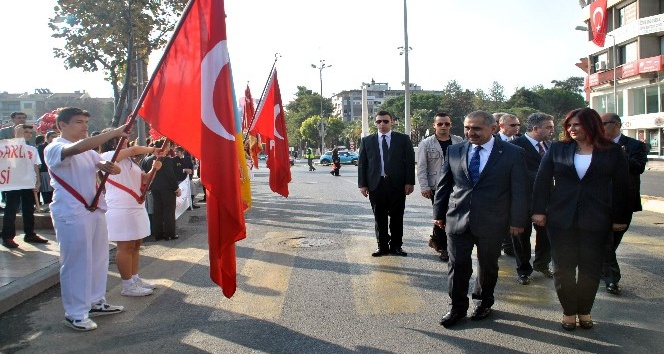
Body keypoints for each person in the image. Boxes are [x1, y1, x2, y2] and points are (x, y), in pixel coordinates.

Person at [532, 107, 629, 331]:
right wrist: (539, 211)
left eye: (578, 124)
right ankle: (568, 311)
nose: (572, 129)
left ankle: (584, 310)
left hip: (597, 220)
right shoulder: (558, 148)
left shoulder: (612, 152)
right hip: (560, 219)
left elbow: (623, 188)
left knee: (590, 269)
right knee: (563, 268)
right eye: (569, 125)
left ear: (592, 125)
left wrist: (619, 217)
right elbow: (542, 181)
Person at [433, 110, 528, 328]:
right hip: (458, 218)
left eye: (476, 128)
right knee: (457, 266)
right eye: (467, 127)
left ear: (493, 129)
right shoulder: (455, 150)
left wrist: (517, 221)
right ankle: (457, 307)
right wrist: (438, 215)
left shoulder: (513, 153)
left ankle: (483, 302)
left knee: (487, 265)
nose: (470, 132)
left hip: (493, 221)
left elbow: (520, 190)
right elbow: (444, 185)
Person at [44, 107, 129, 331]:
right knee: (76, 262)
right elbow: (78, 148)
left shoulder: (89, 152)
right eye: (79, 122)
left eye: (85, 122)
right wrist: (113, 133)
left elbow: (107, 166)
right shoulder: (56, 147)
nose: (84, 126)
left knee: (98, 257)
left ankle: (95, 301)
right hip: (71, 212)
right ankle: (75, 313)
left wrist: (109, 166)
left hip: (94, 209)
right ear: (61, 126)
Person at [100, 131, 162, 297]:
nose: (127, 141)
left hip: (135, 205)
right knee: (125, 247)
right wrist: (152, 149)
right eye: (123, 138)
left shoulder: (130, 161)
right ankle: (127, 285)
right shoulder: (109, 155)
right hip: (120, 207)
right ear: (112, 140)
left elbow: (144, 179)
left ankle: (135, 279)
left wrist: (153, 170)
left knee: (135, 245)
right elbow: (134, 150)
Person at [600, 113, 648, 295]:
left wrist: (621, 156)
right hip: (601, 201)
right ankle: (612, 279)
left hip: (625, 201)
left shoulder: (635, 145)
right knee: (605, 240)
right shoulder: (596, 145)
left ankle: (601, 269)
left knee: (613, 241)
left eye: (604, 123)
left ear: (617, 125)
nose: (601, 127)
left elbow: (639, 167)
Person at [358, 111, 415, 257]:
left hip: (397, 184)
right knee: (379, 217)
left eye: (385, 121)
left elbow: (409, 162)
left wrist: (410, 182)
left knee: (397, 217)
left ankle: (396, 246)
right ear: (375, 123)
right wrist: (362, 185)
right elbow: (363, 164)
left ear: (392, 122)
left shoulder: (402, 139)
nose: (381, 124)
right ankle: (382, 246)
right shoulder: (367, 141)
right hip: (376, 185)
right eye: (378, 122)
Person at [508, 112, 556, 284]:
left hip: (546, 199)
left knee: (546, 234)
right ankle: (523, 269)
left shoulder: (550, 145)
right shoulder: (515, 146)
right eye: (548, 127)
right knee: (521, 236)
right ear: (535, 128)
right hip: (522, 199)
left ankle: (542, 263)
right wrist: (542, 176)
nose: (552, 130)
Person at [416, 112, 463, 262]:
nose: (443, 126)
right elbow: (421, 167)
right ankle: (443, 247)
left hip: (456, 185)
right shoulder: (426, 143)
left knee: (452, 215)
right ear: (434, 125)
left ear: (451, 125)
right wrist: (424, 186)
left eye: (447, 124)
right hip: (436, 185)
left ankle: (438, 241)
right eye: (440, 124)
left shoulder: (459, 141)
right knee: (440, 214)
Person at [1, 125, 46, 248]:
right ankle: (7, 236)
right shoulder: (7, 148)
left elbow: (35, 166)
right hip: (13, 183)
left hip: (27, 182)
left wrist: (37, 182)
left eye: (30, 132)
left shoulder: (31, 149)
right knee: (11, 209)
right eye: (24, 131)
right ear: (15, 132)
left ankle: (30, 233)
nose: (28, 134)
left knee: (28, 209)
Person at [142, 140, 181, 241]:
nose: (168, 148)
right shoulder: (166, 160)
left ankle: (158, 234)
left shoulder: (147, 159)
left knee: (157, 211)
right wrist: (176, 188)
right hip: (167, 189)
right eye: (167, 146)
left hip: (154, 188)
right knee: (169, 211)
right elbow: (170, 176)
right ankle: (170, 233)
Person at [495, 113, 521, 256]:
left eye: (518, 125)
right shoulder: (492, 141)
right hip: (498, 191)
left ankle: (510, 246)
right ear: (501, 125)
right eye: (513, 125)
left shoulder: (520, 141)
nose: (516, 128)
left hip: (514, 189)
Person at [37, 131, 59, 209]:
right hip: (45, 171)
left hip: (57, 172)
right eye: (52, 136)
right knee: (47, 191)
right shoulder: (41, 147)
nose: (54, 138)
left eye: (56, 136)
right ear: (47, 138)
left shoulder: (59, 146)